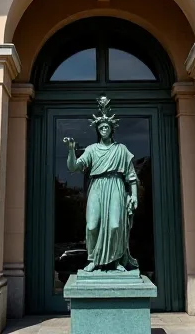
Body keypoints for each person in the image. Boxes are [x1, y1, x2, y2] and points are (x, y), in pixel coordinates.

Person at [62, 96, 140, 272]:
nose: (104, 129)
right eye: (101, 127)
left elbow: (131, 176)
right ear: (98, 130)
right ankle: (93, 259)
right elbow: (74, 167)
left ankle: (116, 260)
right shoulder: (91, 149)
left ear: (111, 129)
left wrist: (134, 195)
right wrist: (71, 150)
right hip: (97, 186)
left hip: (116, 186)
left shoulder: (121, 149)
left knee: (114, 225)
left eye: (107, 127)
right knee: (91, 226)